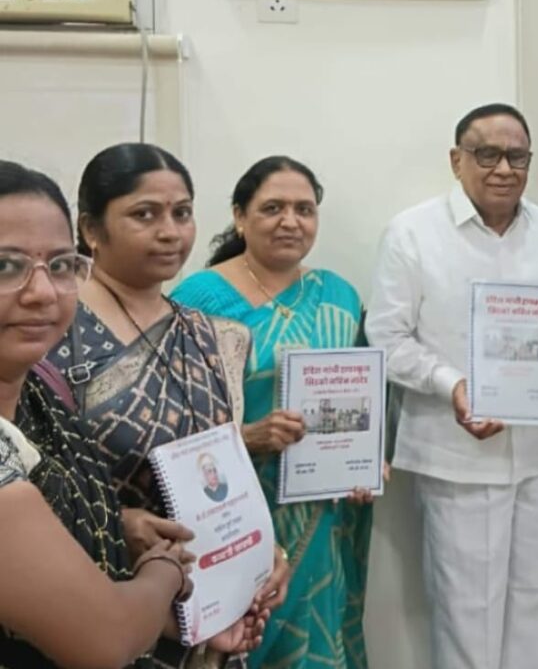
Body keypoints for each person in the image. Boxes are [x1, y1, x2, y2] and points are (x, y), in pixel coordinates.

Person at [45, 144, 288, 669]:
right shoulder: (52, 333)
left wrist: (260, 548)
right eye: (144, 215)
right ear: (91, 229)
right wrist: (117, 523)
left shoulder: (214, 337)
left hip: (211, 613)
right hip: (94, 608)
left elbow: (225, 471)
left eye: (182, 213)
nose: (170, 232)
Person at [365, 102, 538, 669]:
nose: (504, 168)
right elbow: (386, 338)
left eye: (517, 156)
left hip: (536, 454)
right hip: (455, 456)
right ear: (456, 159)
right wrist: (453, 384)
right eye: (487, 154)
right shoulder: (413, 232)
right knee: (468, 619)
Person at [171, 156, 372, 669]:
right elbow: (169, 421)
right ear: (240, 217)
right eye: (273, 208)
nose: (290, 221)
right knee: (239, 643)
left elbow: (362, 400)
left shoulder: (339, 295)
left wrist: (367, 463)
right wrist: (246, 436)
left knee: (315, 645)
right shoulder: (198, 299)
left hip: (321, 513)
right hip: (232, 513)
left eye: (304, 209)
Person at [0, 159, 194, 669]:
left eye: (61, 265)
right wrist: (166, 571)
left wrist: (118, 523)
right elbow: (105, 641)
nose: (42, 293)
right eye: (5, 267)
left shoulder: (43, 389)